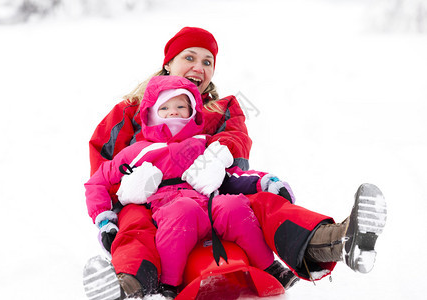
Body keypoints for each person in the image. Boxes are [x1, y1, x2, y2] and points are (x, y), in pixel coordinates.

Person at [83, 27, 387, 299]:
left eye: (207, 62)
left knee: (260, 204)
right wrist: (116, 206)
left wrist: (216, 158)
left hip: (209, 188)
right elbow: (102, 166)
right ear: (169, 63)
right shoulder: (132, 110)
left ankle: (338, 241)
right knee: (134, 225)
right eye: (190, 57)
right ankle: (129, 286)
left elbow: (236, 144)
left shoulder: (221, 107)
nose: (198, 67)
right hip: (145, 198)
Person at [86, 75, 298, 298]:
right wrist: (104, 219)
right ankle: (168, 284)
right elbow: (97, 182)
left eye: (181, 105)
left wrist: (266, 181)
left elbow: (232, 174)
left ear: (193, 112)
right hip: (171, 208)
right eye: (165, 107)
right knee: (183, 210)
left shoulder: (202, 142)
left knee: (234, 205)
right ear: (150, 114)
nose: (174, 111)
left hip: (209, 203)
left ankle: (269, 267)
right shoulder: (138, 151)